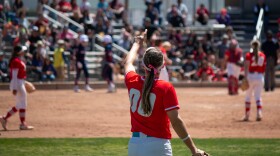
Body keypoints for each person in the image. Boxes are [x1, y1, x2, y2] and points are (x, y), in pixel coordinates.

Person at [124, 29, 208, 156]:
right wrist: (193, 149)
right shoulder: (165, 87)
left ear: (143, 65)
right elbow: (176, 121)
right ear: (162, 66)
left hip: (134, 145)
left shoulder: (132, 81)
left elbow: (128, 62)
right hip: (158, 145)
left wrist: (137, 43)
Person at [0, 46, 34, 130]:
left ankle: (17, 122)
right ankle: (7, 119)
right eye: (22, 51)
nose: (24, 52)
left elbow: (19, 75)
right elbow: (14, 76)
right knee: (22, 104)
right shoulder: (15, 61)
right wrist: (15, 87)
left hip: (20, 82)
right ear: (19, 52)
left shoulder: (18, 60)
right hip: (17, 83)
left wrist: (24, 82)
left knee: (21, 104)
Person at [243, 40, 266, 121]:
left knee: (248, 96)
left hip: (250, 76)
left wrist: (245, 77)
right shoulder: (262, 55)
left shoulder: (248, 55)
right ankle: (259, 113)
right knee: (258, 96)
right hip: (260, 76)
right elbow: (263, 68)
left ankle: (247, 115)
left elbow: (246, 67)